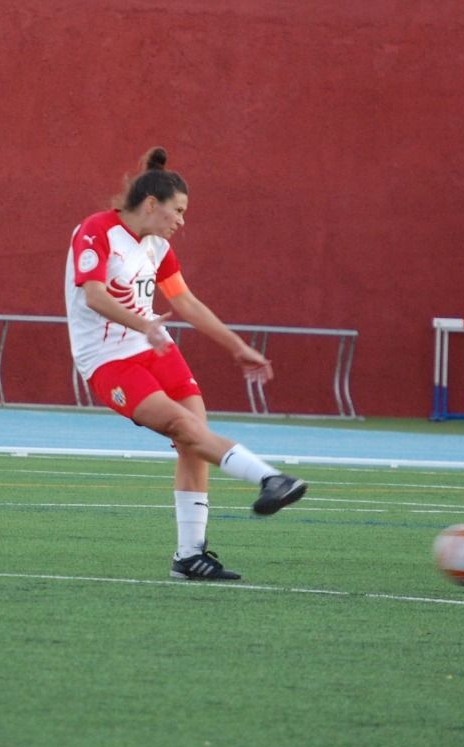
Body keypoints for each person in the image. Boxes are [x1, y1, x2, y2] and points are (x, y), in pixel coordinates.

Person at [65, 147, 307, 581]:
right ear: (152, 204)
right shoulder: (96, 230)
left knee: (193, 438)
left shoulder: (157, 246)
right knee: (184, 427)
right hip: (106, 360)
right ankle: (270, 478)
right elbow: (95, 296)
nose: (182, 220)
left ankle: (189, 556)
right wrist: (144, 322)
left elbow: (186, 303)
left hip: (154, 347)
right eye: (177, 211)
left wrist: (237, 345)